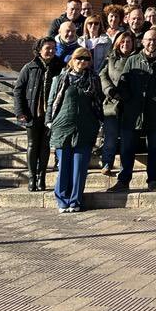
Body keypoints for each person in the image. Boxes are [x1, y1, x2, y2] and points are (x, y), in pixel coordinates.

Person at [109, 28, 156, 192]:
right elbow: (124, 81)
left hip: (154, 111)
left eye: (155, 40)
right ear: (142, 42)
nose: (152, 43)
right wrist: (127, 98)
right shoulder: (132, 60)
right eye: (149, 40)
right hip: (133, 111)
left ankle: (153, 179)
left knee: (154, 148)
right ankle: (123, 180)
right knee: (127, 148)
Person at [46, 48, 103, 213]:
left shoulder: (93, 79)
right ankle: (62, 200)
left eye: (86, 59)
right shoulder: (61, 78)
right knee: (64, 165)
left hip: (85, 127)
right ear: (72, 59)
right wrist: (49, 121)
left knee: (79, 167)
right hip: (63, 127)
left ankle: (75, 201)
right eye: (79, 58)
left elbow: (98, 101)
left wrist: (99, 122)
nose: (82, 62)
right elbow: (51, 101)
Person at [14, 37, 64, 191]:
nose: (50, 51)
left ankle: (41, 177)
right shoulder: (30, 67)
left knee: (45, 146)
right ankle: (32, 177)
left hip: (51, 114)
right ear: (40, 49)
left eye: (53, 48)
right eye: (47, 48)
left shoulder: (60, 67)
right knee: (32, 144)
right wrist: (20, 112)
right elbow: (18, 90)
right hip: (32, 113)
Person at [98, 31, 135, 176]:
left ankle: (125, 168)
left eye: (129, 42)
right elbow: (102, 75)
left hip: (130, 104)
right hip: (111, 102)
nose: (125, 44)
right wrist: (110, 90)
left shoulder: (137, 58)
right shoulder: (111, 58)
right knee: (110, 136)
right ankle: (107, 162)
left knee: (127, 139)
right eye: (123, 42)